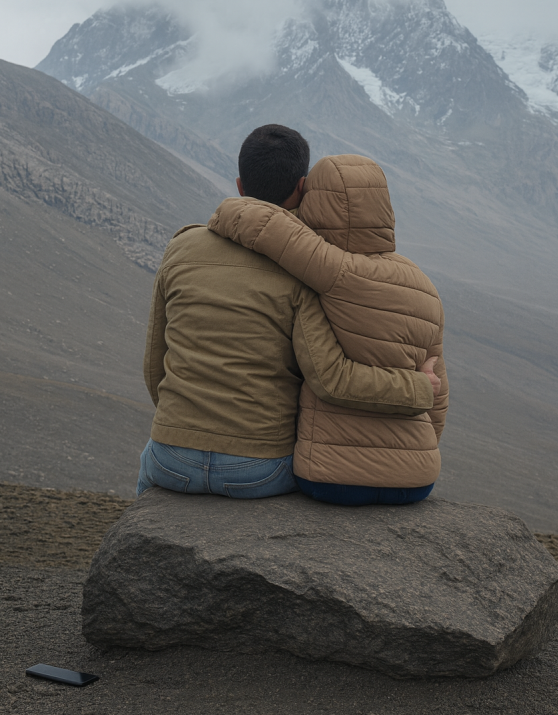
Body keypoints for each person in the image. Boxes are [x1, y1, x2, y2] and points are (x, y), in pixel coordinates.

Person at [138, 126, 436, 499]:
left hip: (171, 456)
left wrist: (184, 430)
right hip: (258, 468)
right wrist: (421, 386)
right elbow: (328, 377)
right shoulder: (300, 266)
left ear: (239, 185)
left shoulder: (181, 246)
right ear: (301, 188)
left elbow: (154, 364)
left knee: (145, 468)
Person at [208, 152, 448, 506]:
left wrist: (224, 211)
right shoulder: (425, 286)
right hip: (415, 482)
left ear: (316, 203)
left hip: (330, 479)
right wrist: (412, 456)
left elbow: (264, 225)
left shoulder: (332, 269)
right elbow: (438, 397)